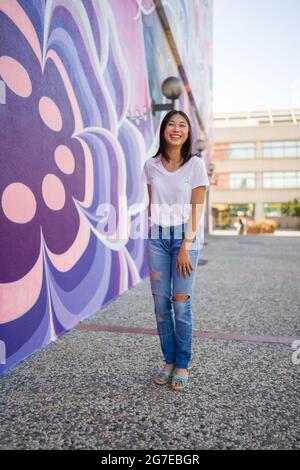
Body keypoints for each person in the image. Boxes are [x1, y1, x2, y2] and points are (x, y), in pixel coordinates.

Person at [142, 110, 210, 391]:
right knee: (160, 305)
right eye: (171, 123)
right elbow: (151, 203)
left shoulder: (195, 165)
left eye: (182, 125)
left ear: (187, 133)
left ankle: (182, 363)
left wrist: (186, 245)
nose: (176, 128)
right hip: (157, 237)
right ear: (163, 129)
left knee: (181, 304)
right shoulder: (151, 165)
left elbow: (197, 208)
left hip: (186, 237)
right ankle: (168, 360)